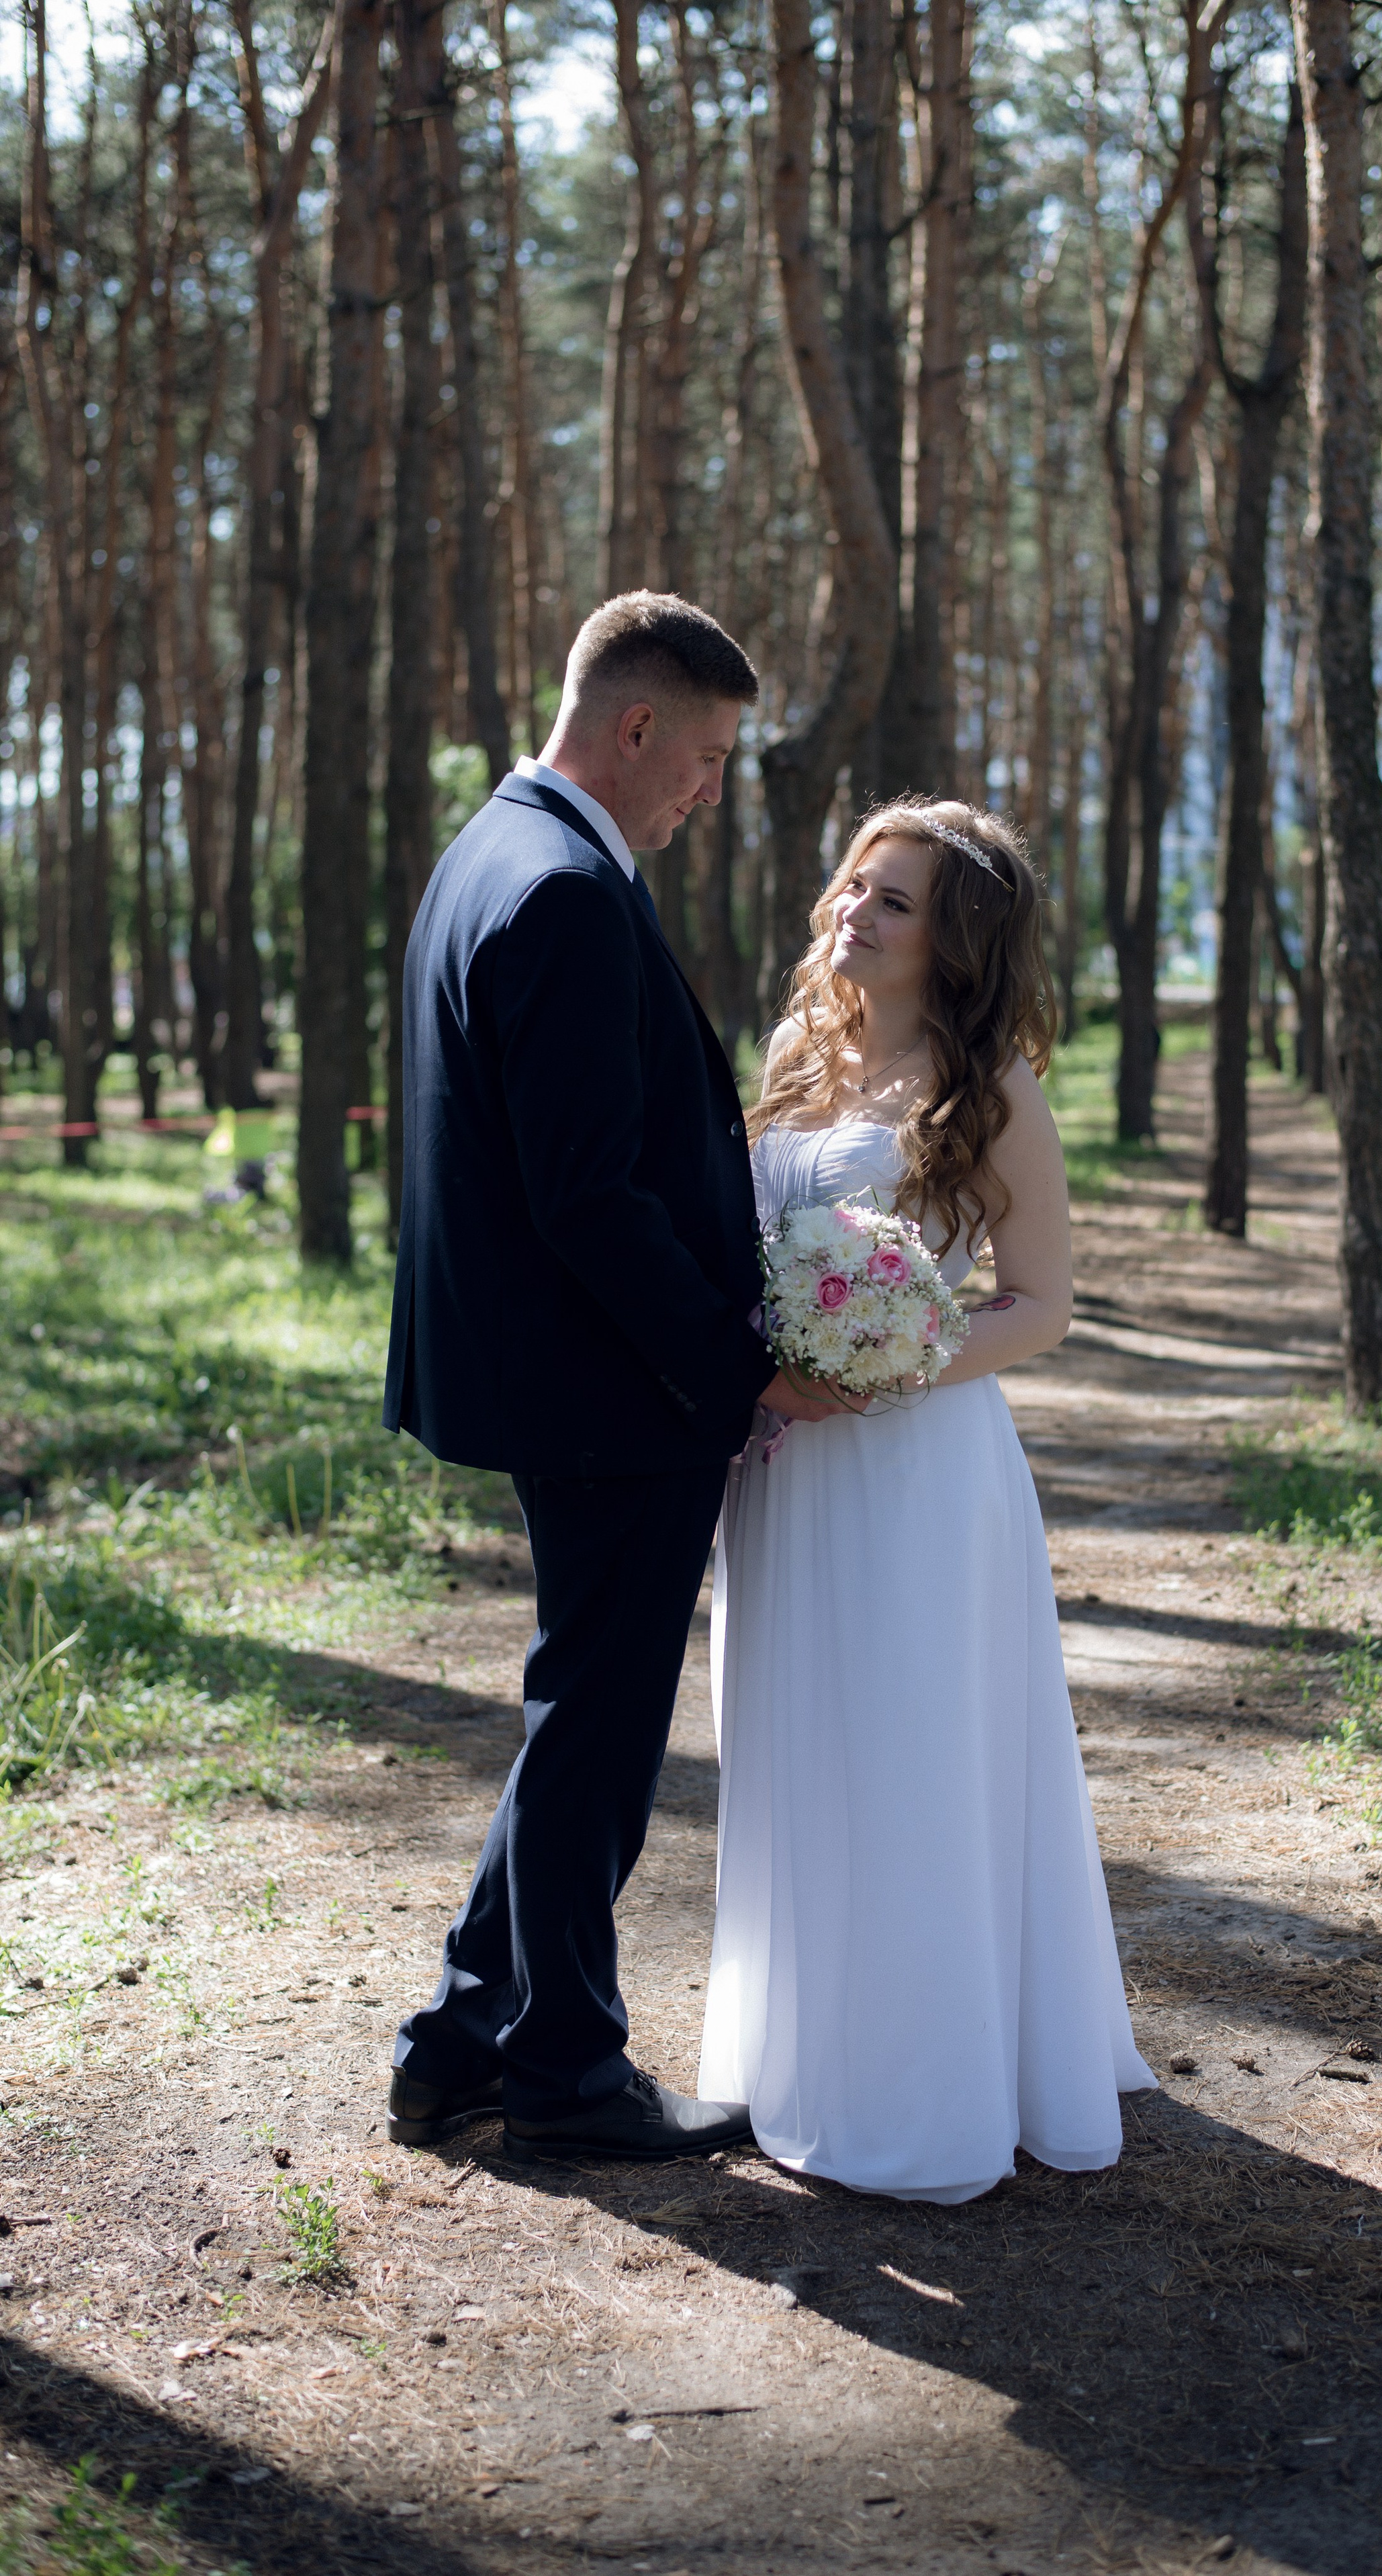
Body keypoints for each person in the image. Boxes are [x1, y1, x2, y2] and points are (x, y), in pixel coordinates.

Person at [382, 592, 837, 2164]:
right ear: (635, 726)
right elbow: (587, 1192)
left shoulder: (490, 851)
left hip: (553, 1371)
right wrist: (735, 1369)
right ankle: (566, 2072)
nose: (711, 790)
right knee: (596, 1729)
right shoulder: (567, 888)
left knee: (577, 1713)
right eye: (707, 756)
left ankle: (457, 2043)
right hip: (609, 1388)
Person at [698, 798, 1155, 2203]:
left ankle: (930, 2079)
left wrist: (892, 1362)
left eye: (891, 901)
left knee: (910, 1753)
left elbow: (1041, 1307)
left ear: (952, 942)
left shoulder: (992, 1095)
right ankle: (805, 2049)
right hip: (781, 1466)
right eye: (851, 884)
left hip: (916, 1469)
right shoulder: (792, 1057)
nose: (852, 912)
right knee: (793, 1741)